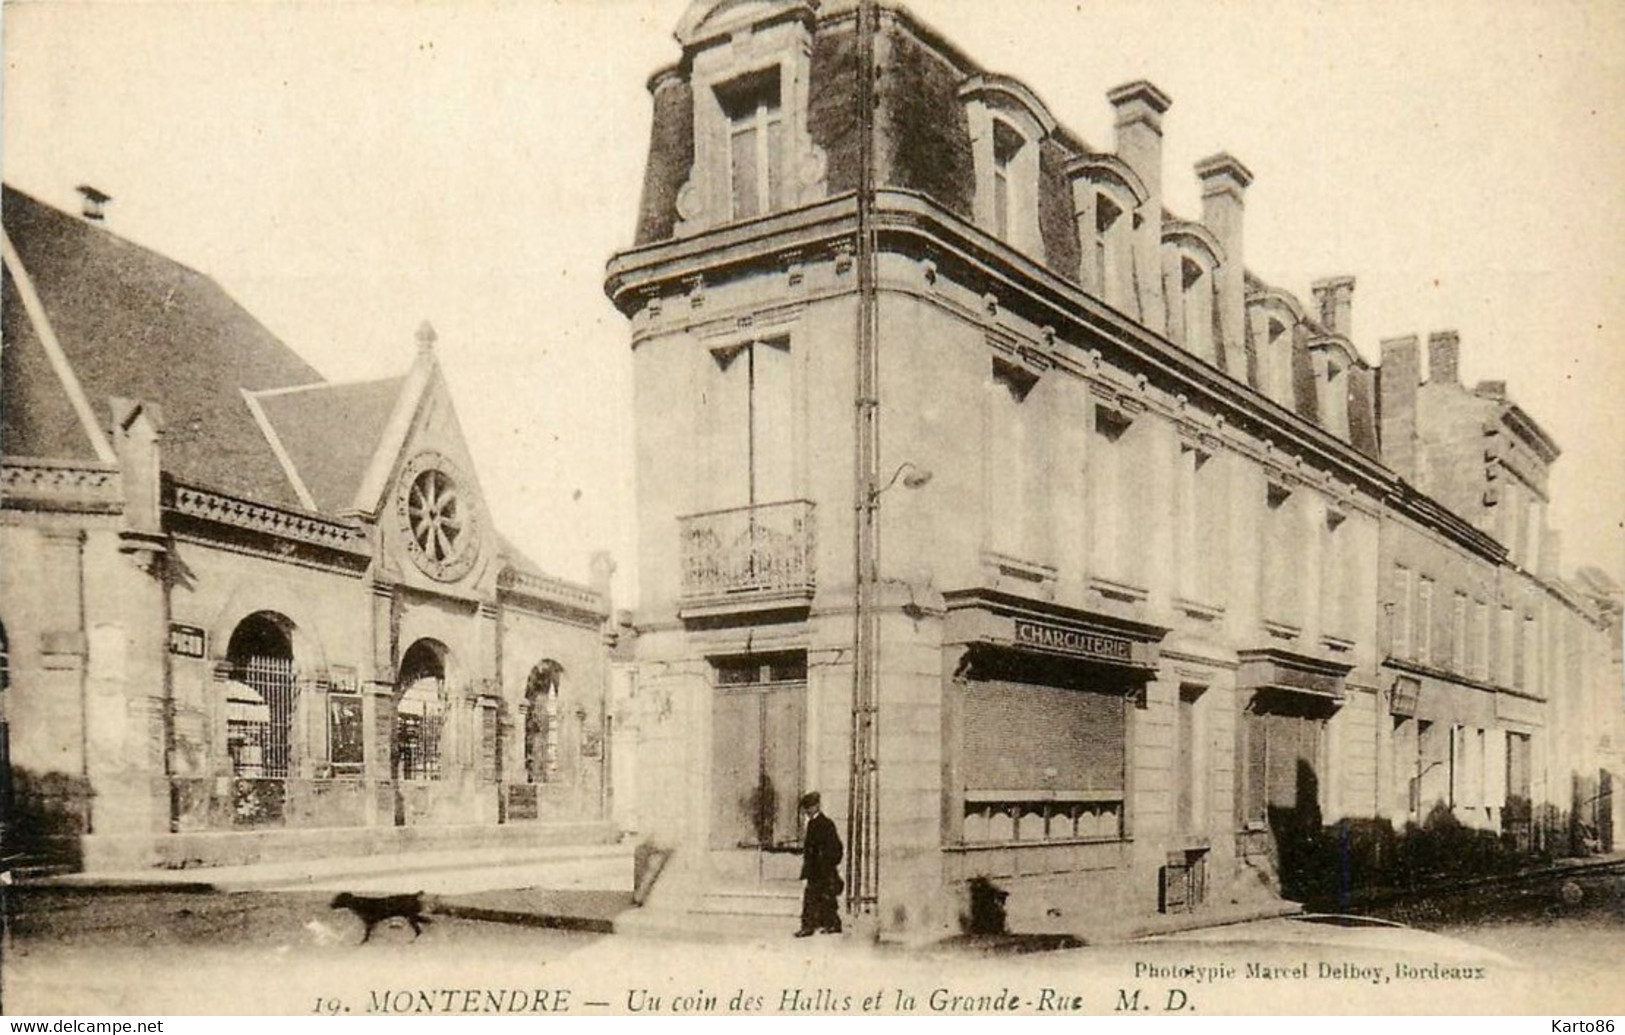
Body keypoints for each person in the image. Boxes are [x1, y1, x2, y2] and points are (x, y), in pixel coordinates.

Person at [795, 791, 843, 937]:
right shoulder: (813, 824)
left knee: (821, 897)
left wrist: (827, 863)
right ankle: (825, 925)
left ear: (816, 806)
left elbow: (836, 847)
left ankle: (815, 926)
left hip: (823, 869)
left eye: (809, 808)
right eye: (806, 808)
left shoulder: (826, 824)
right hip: (816, 869)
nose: (807, 811)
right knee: (819, 897)